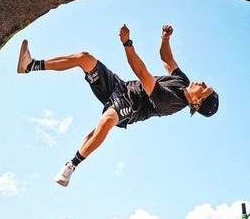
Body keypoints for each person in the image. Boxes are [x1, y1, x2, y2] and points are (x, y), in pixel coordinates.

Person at [16, 24, 219, 187]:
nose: (201, 83)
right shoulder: (183, 81)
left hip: (130, 106)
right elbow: (167, 58)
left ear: (197, 102)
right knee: (84, 58)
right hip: (120, 86)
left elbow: (142, 73)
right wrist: (165, 39)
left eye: (204, 89)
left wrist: (127, 43)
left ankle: (71, 166)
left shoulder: (171, 102)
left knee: (107, 121)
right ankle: (30, 65)